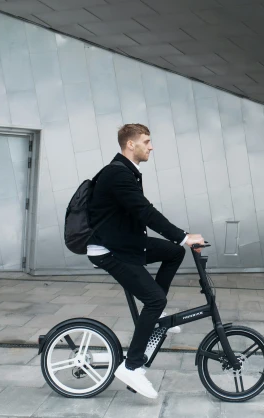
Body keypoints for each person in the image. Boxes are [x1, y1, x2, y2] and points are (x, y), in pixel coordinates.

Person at [87, 123, 204, 399]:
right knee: (154, 299)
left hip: (125, 243)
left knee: (173, 253)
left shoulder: (126, 172)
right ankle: (132, 366)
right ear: (131, 144)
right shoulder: (118, 174)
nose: (151, 146)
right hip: (109, 249)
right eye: (147, 141)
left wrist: (179, 243)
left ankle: (156, 317)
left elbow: (139, 213)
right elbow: (145, 212)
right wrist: (183, 236)